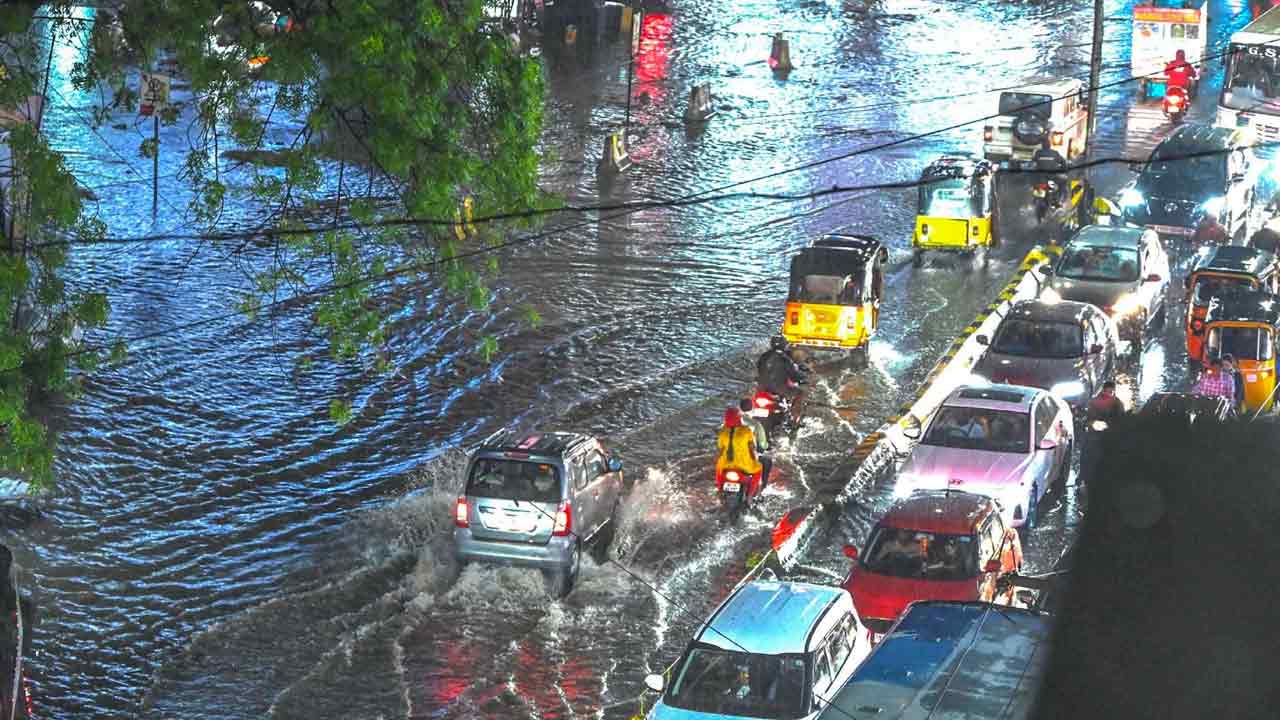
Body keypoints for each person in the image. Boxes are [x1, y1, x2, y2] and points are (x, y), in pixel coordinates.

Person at [756, 335, 807, 421]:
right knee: (801, 393)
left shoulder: (764, 356)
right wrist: (802, 377)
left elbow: (759, 368)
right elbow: (794, 375)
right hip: (779, 388)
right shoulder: (785, 358)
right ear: (784, 345)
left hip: (763, 387)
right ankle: (795, 418)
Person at [716, 407, 762, 481]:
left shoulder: (722, 432)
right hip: (743, 464)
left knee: (718, 469)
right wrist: (754, 460)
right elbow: (751, 448)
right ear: (738, 418)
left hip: (726, 465)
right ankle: (751, 491)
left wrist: (719, 461)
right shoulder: (746, 430)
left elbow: (721, 450)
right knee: (759, 469)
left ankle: (719, 487)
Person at [738, 398, 772, 488]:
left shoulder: (733, 421)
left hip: (732, 453)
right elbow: (762, 442)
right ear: (752, 407)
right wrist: (764, 447)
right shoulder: (755, 425)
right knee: (767, 461)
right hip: (749, 453)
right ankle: (762, 487)